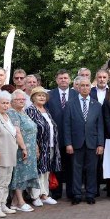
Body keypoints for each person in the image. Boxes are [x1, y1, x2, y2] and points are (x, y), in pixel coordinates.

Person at [0, 91, 27, 217]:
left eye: (7, 103)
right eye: (3, 103)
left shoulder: (6, 116)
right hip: (0, 154)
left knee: (6, 182)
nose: (6, 106)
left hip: (10, 154)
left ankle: (3, 204)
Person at [64, 77, 104, 205]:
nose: (85, 88)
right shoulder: (70, 104)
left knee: (92, 170)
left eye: (87, 85)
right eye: (82, 85)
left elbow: (100, 126)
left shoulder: (97, 105)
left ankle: (90, 194)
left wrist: (100, 144)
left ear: (90, 88)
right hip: (76, 143)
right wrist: (68, 143)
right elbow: (67, 125)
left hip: (92, 143)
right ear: (78, 87)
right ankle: (76, 194)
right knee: (76, 170)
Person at [25, 87, 61, 207]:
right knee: (38, 171)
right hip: (38, 146)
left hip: (49, 145)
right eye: (39, 95)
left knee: (46, 171)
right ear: (33, 97)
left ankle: (44, 194)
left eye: (43, 96)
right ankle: (35, 196)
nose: (42, 97)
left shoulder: (45, 110)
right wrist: (35, 146)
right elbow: (29, 130)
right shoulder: (30, 110)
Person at [6, 90, 39, 211]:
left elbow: (32, 131)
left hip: (29, 148)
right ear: (12, 101)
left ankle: (14, 203)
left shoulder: (23, 112)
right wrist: (24, 147)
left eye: (23, 99)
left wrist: (35, 146)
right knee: (19, 175)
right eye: (18, 99)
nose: (21, 101)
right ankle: (20, 201)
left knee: (25, 175)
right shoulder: (12, 113)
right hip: (20, 149)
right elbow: (17, 132)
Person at [47, 69, 77, 200]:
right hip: (55, 137)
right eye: (61, 78)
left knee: (72, 166)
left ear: (69, 79)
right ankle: (57, 191)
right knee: (57, 165)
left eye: (65, 78)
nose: (63, 80)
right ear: (56, 80)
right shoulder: (49, 95)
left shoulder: (77, 94)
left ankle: (71, 191)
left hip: (73, 137)